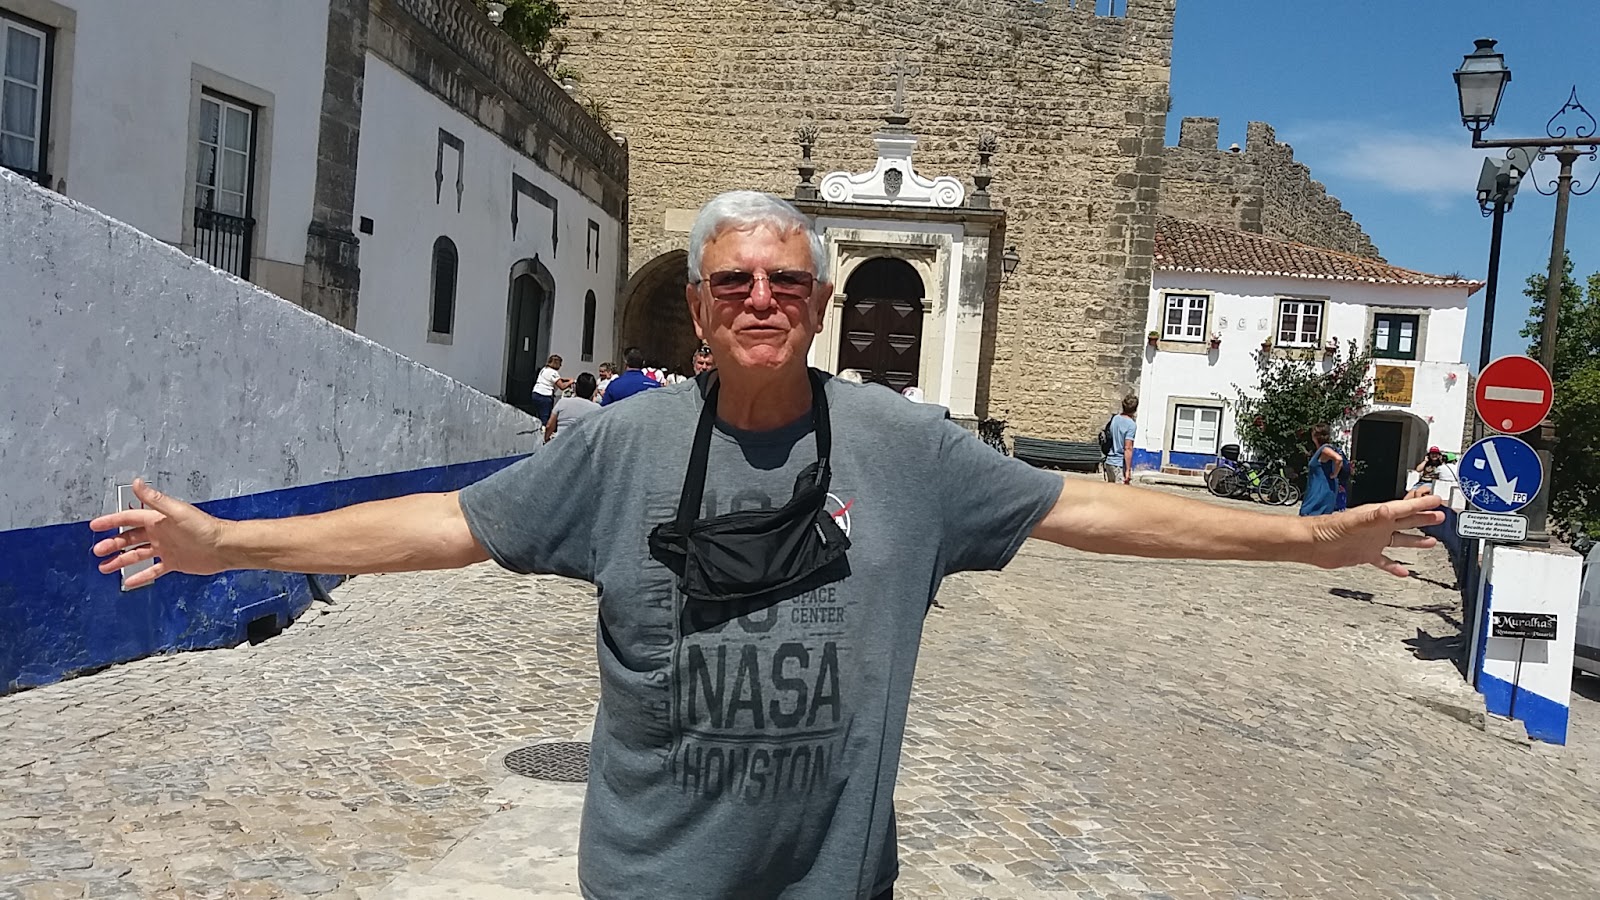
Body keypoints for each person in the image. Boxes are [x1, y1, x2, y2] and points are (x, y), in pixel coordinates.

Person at [91, 190, 1443, 900]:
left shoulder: (906, 448)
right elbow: (450, 522)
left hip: (832, 883)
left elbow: (1091, 509)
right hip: (652, 883)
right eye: (732, 280)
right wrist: (234, 545)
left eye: (785, 281)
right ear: (696, 308)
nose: (759, 299)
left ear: (818, 304)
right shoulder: (623, 443)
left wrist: (1300, 542)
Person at [1300, 422, 1345, 517]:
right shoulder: (1324, 449)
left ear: (1315, 436)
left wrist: (1335, 474)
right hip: (1321, 487)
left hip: (1321, 489)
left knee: (1309, 515)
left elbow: (1338, 459)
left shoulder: (1324, 449)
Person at [543, 372, 602, 443]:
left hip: (560, 443)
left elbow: (549, 426)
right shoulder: (597, 409)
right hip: (582, 445)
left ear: (575, 387)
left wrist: (546, 439)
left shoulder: (562, 402)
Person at [1103, 395, 1138, 485]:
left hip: (1109, 461)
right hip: (1119, 463)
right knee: (1120, 491)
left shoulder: (1115, 419)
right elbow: (1128, 448)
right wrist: (1128, 470)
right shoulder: (1131, 425)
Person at [531, 355, 573, 424]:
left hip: (536, 394)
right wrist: (570, 382)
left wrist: (565, 379)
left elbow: (554, 379)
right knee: (545, 417)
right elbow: (562, 386)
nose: (561, 365)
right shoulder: (553, 372)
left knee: (538, 415)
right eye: (560, 364)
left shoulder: (544, 369)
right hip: (545, 396)